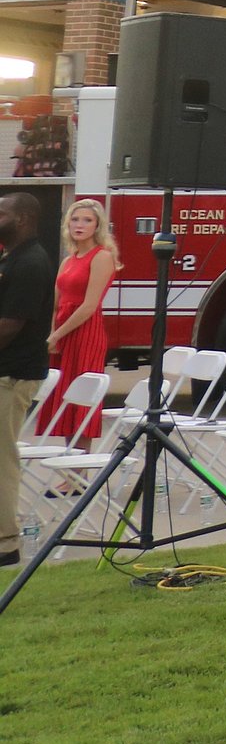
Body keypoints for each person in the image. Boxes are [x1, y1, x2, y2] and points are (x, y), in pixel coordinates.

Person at [38, 197, 118, 444]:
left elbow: (89, 306)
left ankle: (81, 462)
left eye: (87, 220)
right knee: (64, 396)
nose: (79, 225)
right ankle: (69, 461)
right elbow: (56, 303)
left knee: (81, 397)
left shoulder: (101, 256)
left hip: (85, 332)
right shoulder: (68, 260)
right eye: (74, 219)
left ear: (97, 225)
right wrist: (53, 333)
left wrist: (56, 335)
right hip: (63, 328)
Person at [0, 194, 51, 570]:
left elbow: (10, 325)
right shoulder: (12, 258)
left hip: (12, 375)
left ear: (21, 219)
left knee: (1, 460)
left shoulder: (31, 263)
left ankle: (6, 543)